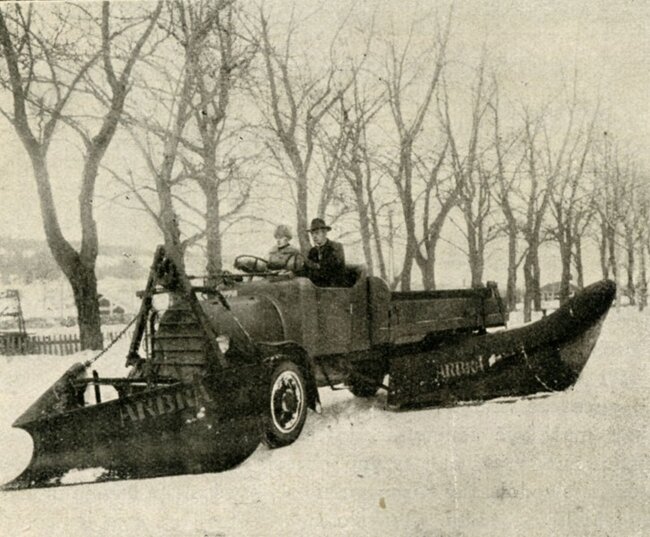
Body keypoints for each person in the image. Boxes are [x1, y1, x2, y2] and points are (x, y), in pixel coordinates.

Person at [305, 218, 346, 287]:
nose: (314, 236)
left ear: (324, 233)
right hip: (318, 287)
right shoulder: (313, 251)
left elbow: (330, 270)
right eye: (312, 234)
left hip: (335, 288)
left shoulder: (335, 247)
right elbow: (307, 269)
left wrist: (314, 266)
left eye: (317, 233)